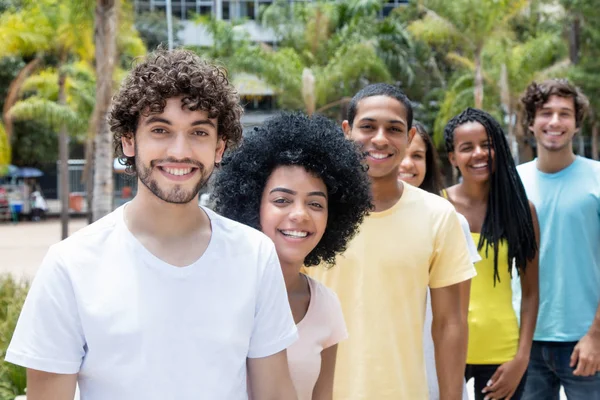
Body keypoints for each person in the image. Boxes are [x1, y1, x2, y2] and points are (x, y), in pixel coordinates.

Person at [5, 49, 299, 400]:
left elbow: (276, 393)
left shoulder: (255, 255)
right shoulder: (70, 264)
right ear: (129, 140)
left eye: (199, 132)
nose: (180, 150)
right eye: (160, 129)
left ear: (220, 146)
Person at [308, 83, 477, 399]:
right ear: (347, 131)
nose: (380, 139)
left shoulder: (439, 216)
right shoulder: (313, 212)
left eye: (394, 129)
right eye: (368, 127)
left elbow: (450, 325)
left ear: (410, 136)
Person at [212, 112, 372, 400]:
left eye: (315, 203)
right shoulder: (216, 289)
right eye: (282, 200)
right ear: (252, 203)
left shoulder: (324, 305)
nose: (299, 215)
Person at [443, 108, 540, 400]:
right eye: (467, 147)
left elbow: (532, 293)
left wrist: (522, 358)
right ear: (453, 158)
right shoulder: (438, 206)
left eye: (487, 145)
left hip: (502, 353)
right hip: (445, 350)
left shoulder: (521, 209)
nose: (479, 154)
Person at [518, 79, 600, 399]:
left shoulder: (597, 179)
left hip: (585, 341)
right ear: (531, 123)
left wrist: (596, 334)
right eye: (545, 113)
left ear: (576, 124)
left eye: (564, 114)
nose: (554, 121)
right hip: (524, 340)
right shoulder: (512, 183)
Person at [399, 122, 481, 400]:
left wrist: (452, 390)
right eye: (402, 153)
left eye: (418, 156)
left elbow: (458, 318)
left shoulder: (450, 222)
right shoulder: (348, 224)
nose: (407, 163)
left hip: (434, 372)